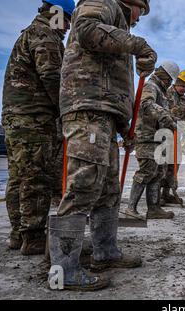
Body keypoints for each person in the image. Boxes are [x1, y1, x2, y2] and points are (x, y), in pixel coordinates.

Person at [48, 0, 157, 291]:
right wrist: (138, 44)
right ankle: (63, 270)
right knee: (84, 183)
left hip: (104, 113)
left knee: (108, 188)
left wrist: (124, 127)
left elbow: (115, 84)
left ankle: (105, 252)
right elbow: (85, 30)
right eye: (139, 11)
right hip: (87, 108)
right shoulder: (102, 3)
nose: (138, 19)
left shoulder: (118, 24)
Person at [1, 0, 74, 255]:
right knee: (35, 178)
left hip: (18, 119)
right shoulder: (45, 35)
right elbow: (53, 78)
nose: (67, 27)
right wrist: (68, 113)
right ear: (55, 13)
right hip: (34, 118)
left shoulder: (32, 32)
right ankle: (32, 238)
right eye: (66, 19)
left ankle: (17, 234)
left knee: (20, 176)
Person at [126, 61, 179, 219]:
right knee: (146, 171)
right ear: (164, 75)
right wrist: (165, 116)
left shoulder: (162, 92)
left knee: (157, 173)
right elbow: (146, 104)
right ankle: (131, 208)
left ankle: (154, 208)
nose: (170, 83)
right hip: (147, 137)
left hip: (158, 138)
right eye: (169, 79)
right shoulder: (151, 86)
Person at [160, 70, 185, 206]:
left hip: (177, 138)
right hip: (164, 136)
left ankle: (167, 194)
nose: (184, 89)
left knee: (173, 168)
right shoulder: (166, 94)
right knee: (162, 166)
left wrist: (184, 131)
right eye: (182, 86)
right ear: (177, 82)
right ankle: (157, 196)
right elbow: (161, 112)